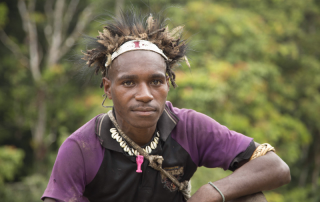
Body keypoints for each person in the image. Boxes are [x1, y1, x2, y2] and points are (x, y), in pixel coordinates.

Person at [42, 8, 290, 202]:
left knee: (250, 197)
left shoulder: (189, 127)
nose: (145, 95)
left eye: (156, 81)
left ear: (168, 84)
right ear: (108, 88)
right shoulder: (82, 148)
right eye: (128, 83)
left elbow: (275, 167)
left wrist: (210, 192)